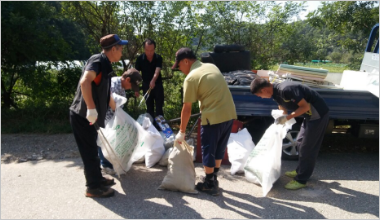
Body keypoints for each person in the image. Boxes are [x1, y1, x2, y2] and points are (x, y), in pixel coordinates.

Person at [69, 34, 128, 198]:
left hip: (90, 117)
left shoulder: (106, 64)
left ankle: (98, 179)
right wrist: (91, 108)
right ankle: (93, 187)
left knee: (94, 150)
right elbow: (85, 82)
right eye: (121, 49)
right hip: (82, 116)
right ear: (113, 48)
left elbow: (103, 90)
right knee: (89, 152)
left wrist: (114, 107)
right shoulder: (97, 60)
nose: (122, 52)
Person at [172, 48, 237, 196]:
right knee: (219, 148)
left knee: (208, 150)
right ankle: (213, 178)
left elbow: (187, 109)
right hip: (229, 113)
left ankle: (209, 184)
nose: (180, 69)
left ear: (186, 61)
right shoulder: (211, 66)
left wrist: (181, 132)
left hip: (212, 117)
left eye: (180, 66)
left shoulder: (191, 77)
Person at [249, 77, 330, 190]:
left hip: (318, 116)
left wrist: (287, 118)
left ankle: (301, 180)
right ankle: (300, 170)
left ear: (263, 90)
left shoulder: (286, 89)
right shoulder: (275, 93)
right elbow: (282, 106)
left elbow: (305, 106)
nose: (260, 97)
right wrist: (281, 118)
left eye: (259, 95)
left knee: (308, 148)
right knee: (300, 142)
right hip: (308, 116)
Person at [98, 68, 142, 175]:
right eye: (132, 85)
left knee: (116, 138)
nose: (131, 88)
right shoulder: (113, 84)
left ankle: (114, 161)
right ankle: (104, 165)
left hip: (113, 118)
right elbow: (109, 101)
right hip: (104, 117)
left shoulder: (121, 87)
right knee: (104, 139)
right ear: (127, 80)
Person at [135, 38, 164, 120]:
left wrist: (153, 80)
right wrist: (136, 88)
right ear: (144, 49)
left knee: (159, 108)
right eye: (147, 50)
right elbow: (136, 74)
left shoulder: (158, 58)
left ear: (154, 49)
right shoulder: (140, 59)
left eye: (152, 50)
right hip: (146, 86)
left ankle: (160, 128)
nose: (149, 53)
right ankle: (151, 128)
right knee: (149, 108)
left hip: (157, 85)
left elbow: (157, 71)